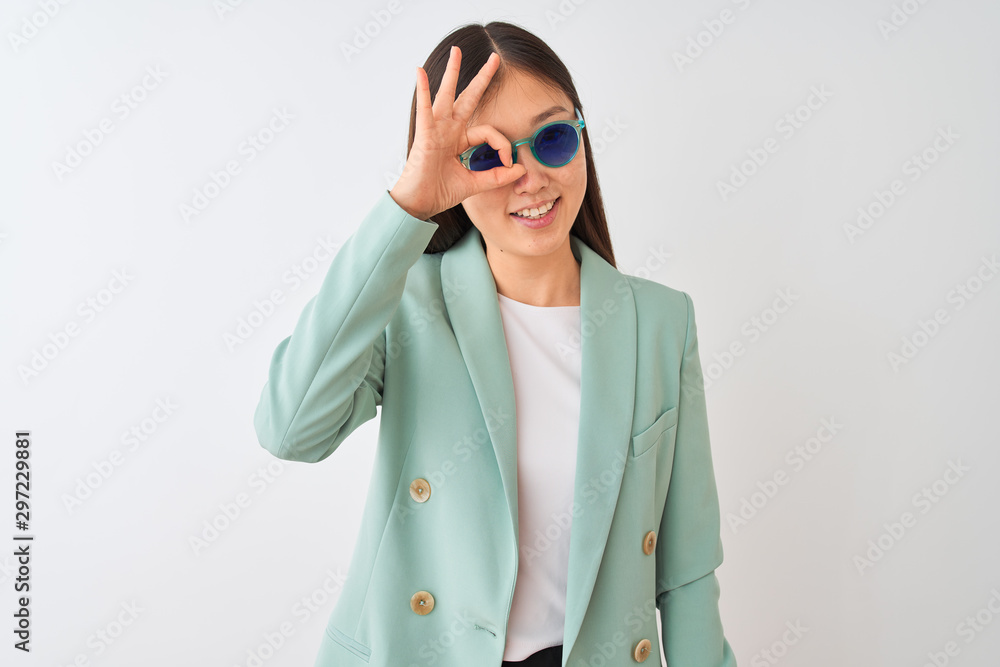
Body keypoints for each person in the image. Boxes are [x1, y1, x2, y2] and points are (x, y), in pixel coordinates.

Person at [253, 20, 737, 667]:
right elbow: (290, 428)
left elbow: (687, 571)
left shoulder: (661, 321)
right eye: (489, 155)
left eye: (554, 138)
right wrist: (407, 207)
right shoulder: (405, 303)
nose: (530, 177)